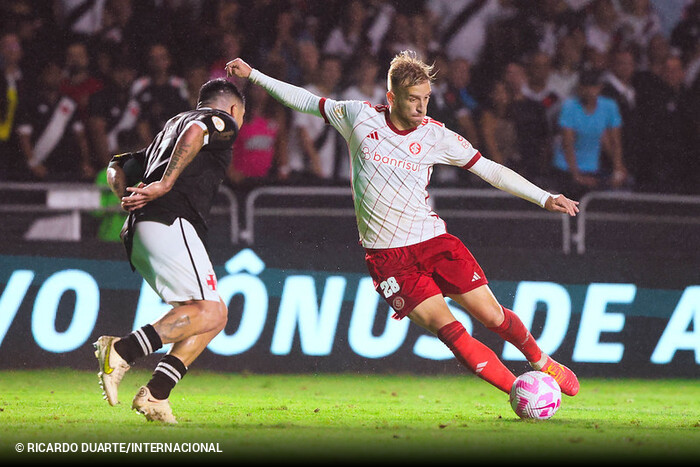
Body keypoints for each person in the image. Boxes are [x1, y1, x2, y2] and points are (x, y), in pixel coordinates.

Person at [225, 51, 580, 398]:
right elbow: (304, 100)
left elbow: (489, 169)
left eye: (426, 99)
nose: (421, 108)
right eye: (413, 99)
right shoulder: (358, 118)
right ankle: (520, 393)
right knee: (450, 330)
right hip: (388, 258)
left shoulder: (436, 136)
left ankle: (541, 361)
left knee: (491, 315)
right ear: (391, 96)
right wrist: (254, 75)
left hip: (433, 242)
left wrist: (543, 197)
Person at [93, 78, 245, 423]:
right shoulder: (220, 120)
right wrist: (163, 185)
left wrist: (126, 198)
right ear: (234, 108)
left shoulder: (167, 131)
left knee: (211, 316)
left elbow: (115, 166)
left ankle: (156, 395)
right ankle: (122, 350)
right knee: (210, 312)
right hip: (170, 220)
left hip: (142, 230)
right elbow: (196, 130)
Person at [553, 69, 628, 199]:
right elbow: (568, 143)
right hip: (566, 168)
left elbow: (614, 141)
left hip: (593, 168)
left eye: (593, 87)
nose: (589, 91)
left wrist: (618, 168)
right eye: (586, 87)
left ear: (599, 88)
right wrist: (576, 175)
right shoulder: (569, 106)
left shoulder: (609, 106)